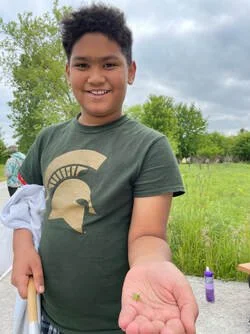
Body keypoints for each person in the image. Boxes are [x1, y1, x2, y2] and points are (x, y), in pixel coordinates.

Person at [11, 4, 198, 334]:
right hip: (49, 318)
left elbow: (148, 235)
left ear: (131, 70)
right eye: (82, 65)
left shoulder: (150, 147)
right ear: (68, 72)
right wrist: (22, 246)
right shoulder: (47, 139)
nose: (95, 77)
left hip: (121, 324)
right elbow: (26, 202)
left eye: (110, 64)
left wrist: (154, 264)